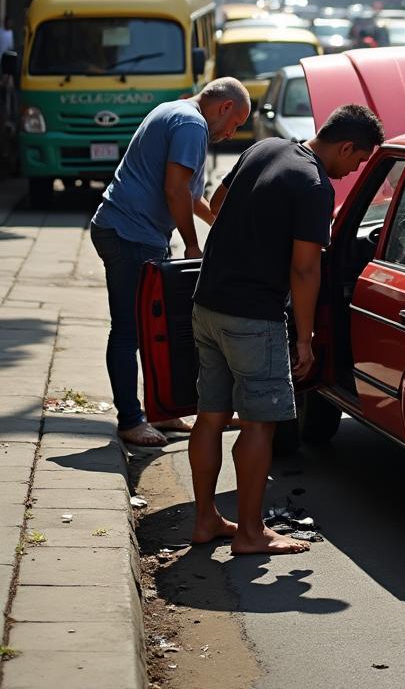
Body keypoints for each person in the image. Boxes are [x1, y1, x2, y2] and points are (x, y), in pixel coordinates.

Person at [188, 103, 384, 554]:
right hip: (254, 316)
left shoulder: (264, 148)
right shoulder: (314, 185)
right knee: (260, 425)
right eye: (357, 161)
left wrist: (249, 241)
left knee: (211, 417)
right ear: (347, 145)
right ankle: (251, 534)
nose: (354, 170)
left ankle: (205, 521)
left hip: (207, 302)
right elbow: (304, 270)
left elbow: (217, 204)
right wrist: (304, 338)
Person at [90, 79, 251, 448]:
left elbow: (191, 195)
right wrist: (192, 244)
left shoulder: (175, 110)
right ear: (224, 107)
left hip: (128, 230)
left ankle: (162, 411)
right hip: (130, 235)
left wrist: (221, 226)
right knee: (129, 330)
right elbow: (175, 189)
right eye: (236, 123)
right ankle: (131, 420)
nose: (232, 133)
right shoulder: (192, 124)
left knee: (152, 328)